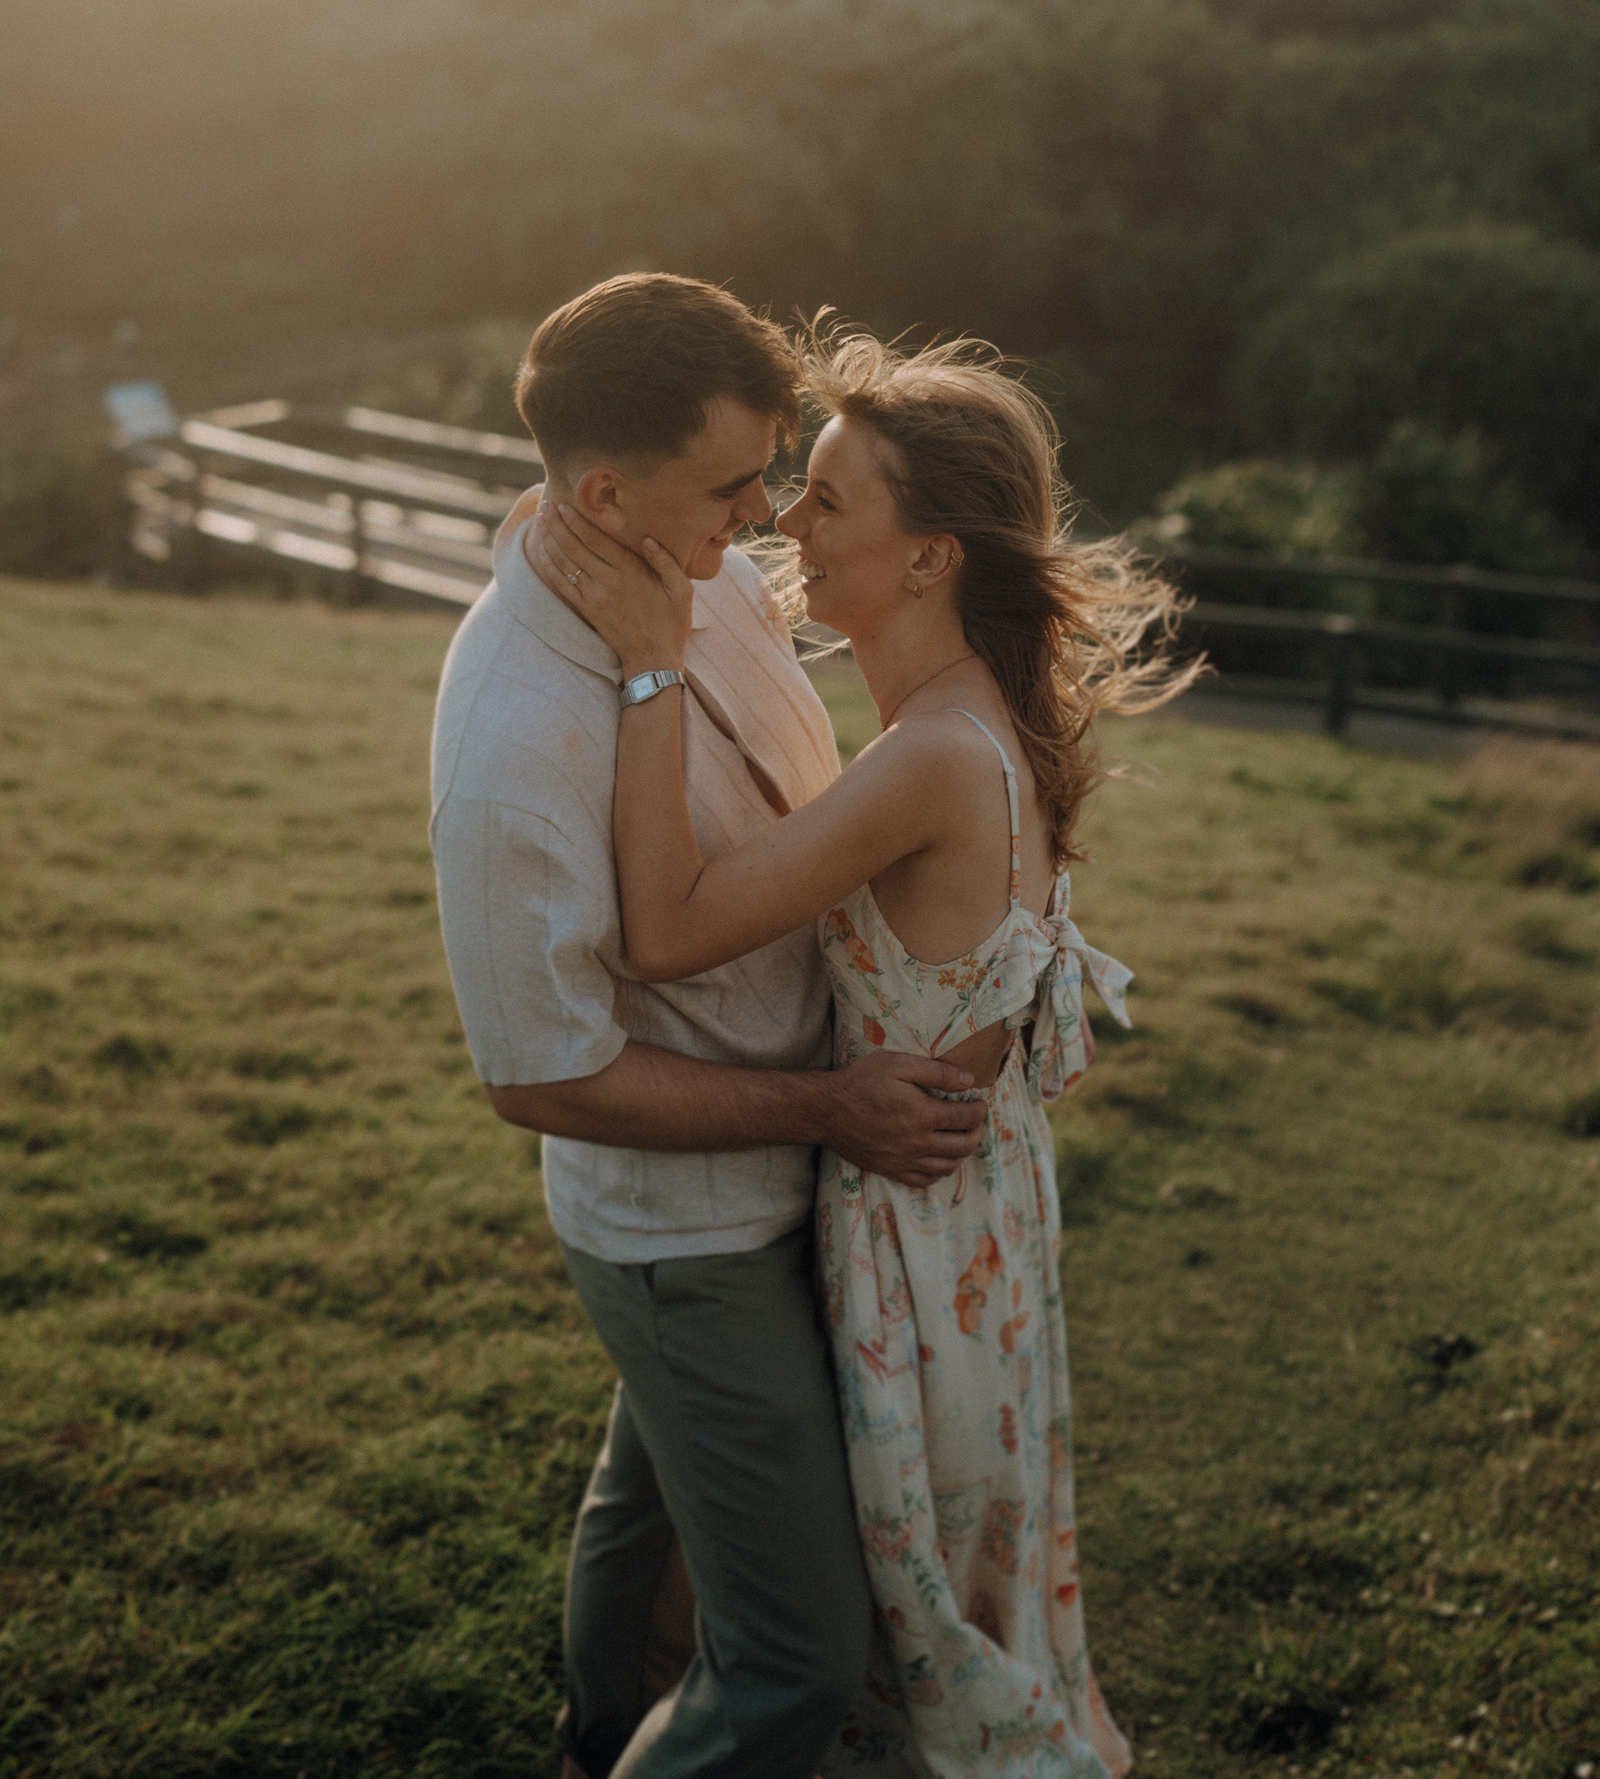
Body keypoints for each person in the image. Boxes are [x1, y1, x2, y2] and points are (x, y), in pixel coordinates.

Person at [529, 327, 1192, 1779]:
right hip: (970, 1218)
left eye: (829, 499)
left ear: (931, 556)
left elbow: (668, 927)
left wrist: (650, 668)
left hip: (916, 1240)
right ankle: (606, 1728)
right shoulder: (958, 724)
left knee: (898, 1616)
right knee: (783, 1549)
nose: (784, 520)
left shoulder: (932, 757)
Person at [429, 275, 989, 1779]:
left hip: (790, 1182)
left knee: (652, 1497)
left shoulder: (709, 569)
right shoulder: (513, 737)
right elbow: (543, 1074)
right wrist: (829, 1110)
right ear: (606, 494)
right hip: (691, 1236)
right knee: (798, 1656)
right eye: (737, 485)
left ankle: (599, 1735)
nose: (770, 516)